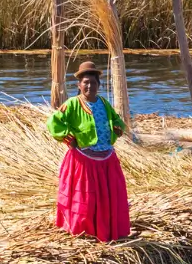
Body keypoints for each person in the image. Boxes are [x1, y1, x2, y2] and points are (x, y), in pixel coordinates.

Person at [47, 61, 131, 242]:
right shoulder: (72, 104)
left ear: (99, 85)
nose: (89, 86)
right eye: (86, 82)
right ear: (79, 85)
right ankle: (84, 229)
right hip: (84, 159)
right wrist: (68, 137)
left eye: (93, 83)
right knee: (86, 197)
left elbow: (117, 119)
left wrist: (118, 127)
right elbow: (54, 122)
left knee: (107, 197)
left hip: (106, 157)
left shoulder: (103, 103)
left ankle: (106, 228)